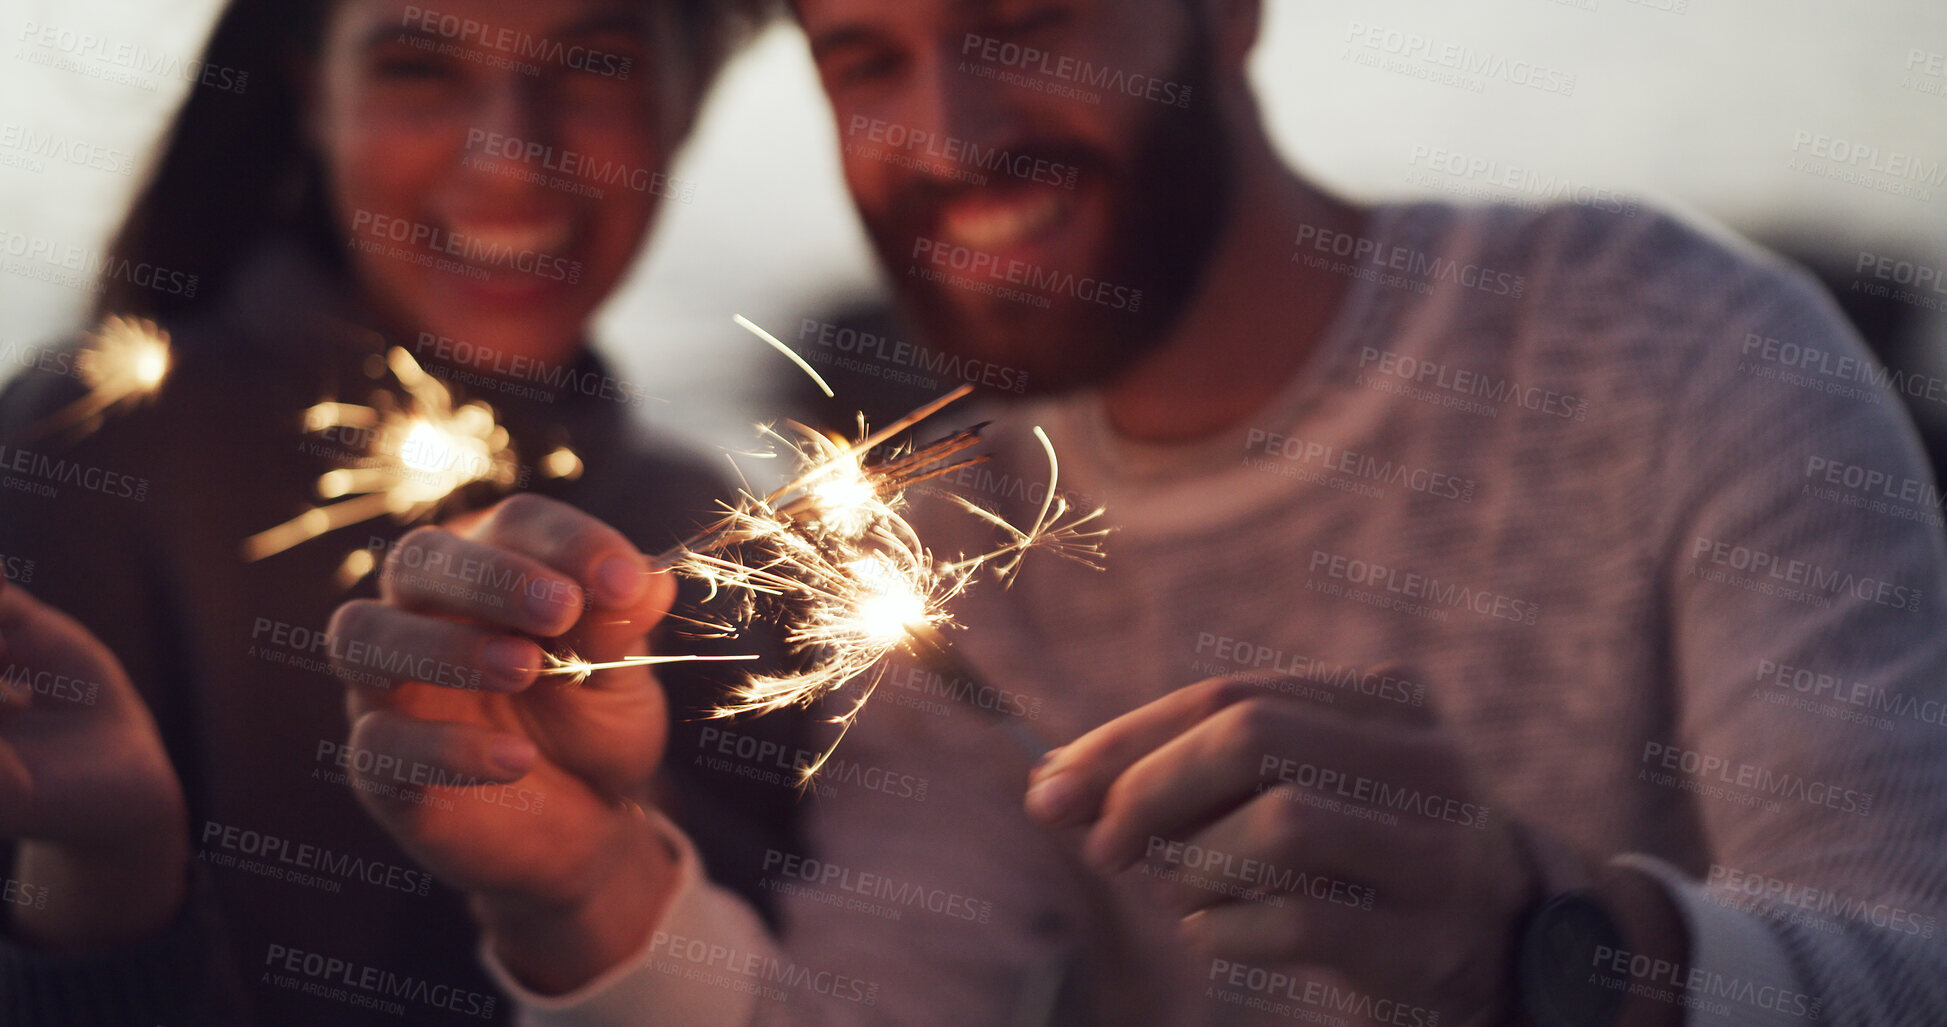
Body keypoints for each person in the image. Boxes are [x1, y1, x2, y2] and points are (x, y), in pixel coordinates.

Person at [336, 0, 1947, 1024]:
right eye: (864, 57)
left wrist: (1544, 943)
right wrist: (582, 892)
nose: (949, 138)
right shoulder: (957, 530)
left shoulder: (1678, 343)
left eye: (1022, 17)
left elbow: (1911, 963)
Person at [0, 0, 799, 1024]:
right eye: (419, 66)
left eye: (595, 64)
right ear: (310, 95)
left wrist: (627, 853)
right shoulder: (90, 451)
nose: (511, 158)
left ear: (684, 103)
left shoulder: (733, 546)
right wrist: (107, 883)